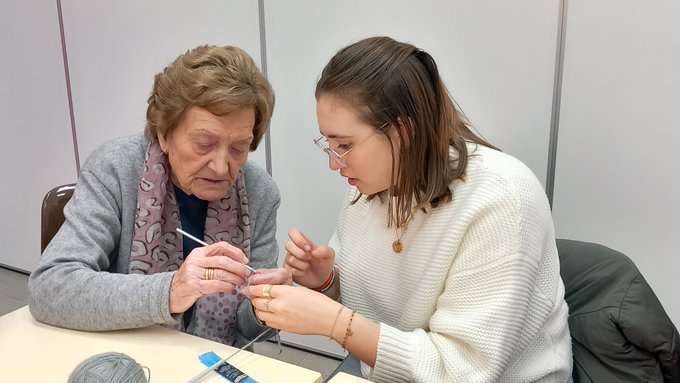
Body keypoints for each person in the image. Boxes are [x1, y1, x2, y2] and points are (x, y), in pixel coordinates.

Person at [248, 36, 573, 382]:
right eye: (327, 143)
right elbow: (376, 311)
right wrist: (328, 281)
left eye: (344, 145)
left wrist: (333, 322)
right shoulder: (369, 188)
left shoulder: (502, 199)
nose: (333, 163)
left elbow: (460, 371)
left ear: (403, 132)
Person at [28, 44, 290, 347]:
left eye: (239, 147)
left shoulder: (259, 194)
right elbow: (50, 288)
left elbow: (249, 332)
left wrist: (266, 307)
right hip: (123, 353)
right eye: (204, 143)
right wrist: (171, 291)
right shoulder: (116, 169)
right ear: (164, 134)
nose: (221, 167)